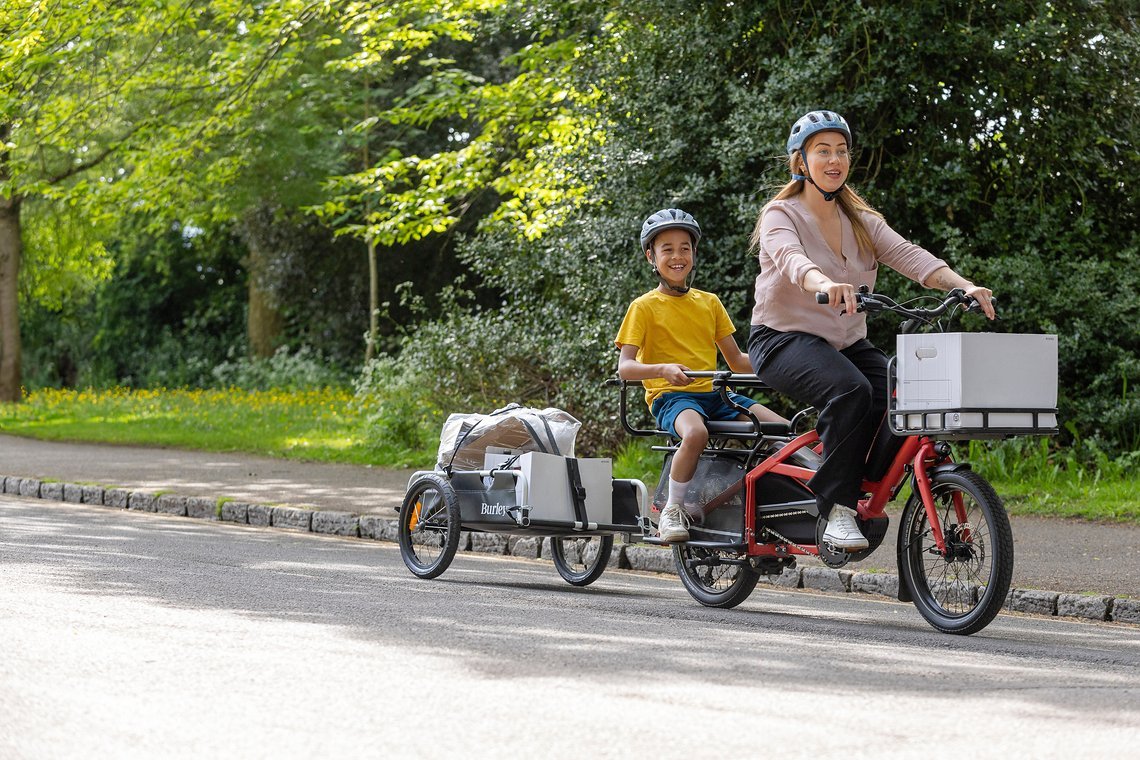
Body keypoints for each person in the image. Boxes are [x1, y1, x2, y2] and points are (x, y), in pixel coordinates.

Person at [747, 110, 996, 550]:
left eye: (841, 151)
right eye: (822, 151)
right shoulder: (779, 214)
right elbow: (791, 261)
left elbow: (910, 256)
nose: (834, 159)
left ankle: (864, 484)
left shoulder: (862, 220)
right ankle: (837, 508)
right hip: (782, 339)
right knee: (851, 391)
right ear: (800, 162)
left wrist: (963, 285)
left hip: (845, 342)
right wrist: (824, 284)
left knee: (905, 392)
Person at [616, 208, 785, 543]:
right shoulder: (644, 307)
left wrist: (783, 362)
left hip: (715, 395)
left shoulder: (709, 303)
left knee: (783, 431)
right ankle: (672, 511)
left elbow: (736, 361)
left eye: (685, 248)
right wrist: (662, 369)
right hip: (673, 397)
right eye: (668, 249)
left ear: (694, 253)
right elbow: (625, 367)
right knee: (695, 433)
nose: (678, 256)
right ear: (651, 256)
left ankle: (756, 502)